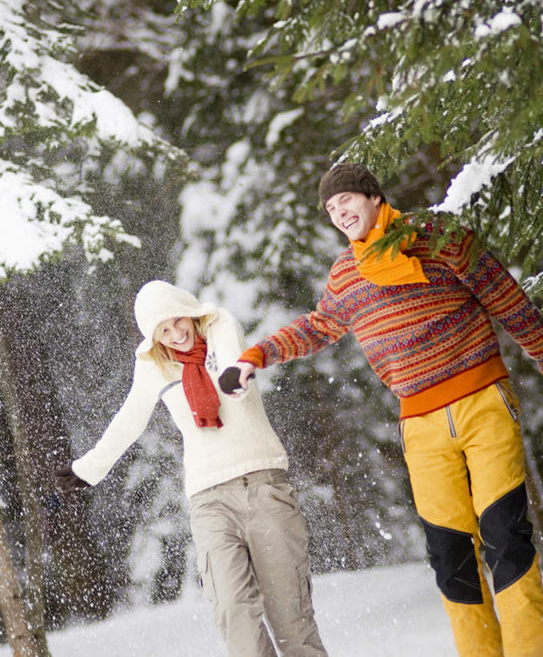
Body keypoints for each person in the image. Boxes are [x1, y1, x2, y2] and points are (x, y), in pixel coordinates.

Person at [222, 162, 543, 657]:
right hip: (420, 424)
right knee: (450, 556)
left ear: (373, 196)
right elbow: (317, 326)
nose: (339, 212)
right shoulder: (347, 274)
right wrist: (255, 356)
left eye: (345, 199)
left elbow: (508, 300)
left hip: (483, 401)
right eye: (330, 209)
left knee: (507, 539)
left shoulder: (437, 237)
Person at [55, 280, 328, 657]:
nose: (175, 333)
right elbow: (129, 420)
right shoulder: (154, 365)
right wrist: (89, 468)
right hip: (209, 499)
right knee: (234, 612)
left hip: (264, 483)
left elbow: (234, 361)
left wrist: (235, 378)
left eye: (177, 320)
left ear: (190, 312)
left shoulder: (219, 327)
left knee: (291, 618)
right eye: (163, 330)